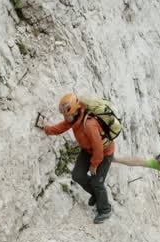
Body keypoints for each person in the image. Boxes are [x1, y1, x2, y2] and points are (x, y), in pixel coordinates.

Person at [40, 93, 114, 223]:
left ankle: (105, 209)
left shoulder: (89, 125)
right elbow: (61, 127)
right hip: (88, 150)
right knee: (77, 175)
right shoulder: (74, 119)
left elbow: (99, 149)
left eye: (66, 115)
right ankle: (97, 195)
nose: (64, 117)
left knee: (97, 182)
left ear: (74, 112)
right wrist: (47, 128)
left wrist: (94, 164)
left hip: (104, 152)